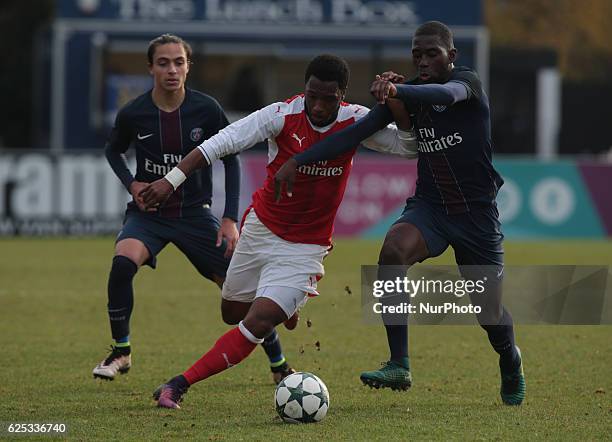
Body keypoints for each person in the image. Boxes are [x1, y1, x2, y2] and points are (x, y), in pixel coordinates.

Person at [138, 54, 418, 409]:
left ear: (342, 96)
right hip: (261, 230)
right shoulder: (281, 115)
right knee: (231, 311)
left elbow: (408, 148)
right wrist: (171, 180)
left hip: (305, 248)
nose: (317, 106)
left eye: (327, 99)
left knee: (256, 322)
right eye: (311, 96)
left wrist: (397, 99)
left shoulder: (356, 120)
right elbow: (222, 142)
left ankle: (177, 384)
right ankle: (284, 306)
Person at [273, 21, 526, 405]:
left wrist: (397, 89)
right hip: (431, 208)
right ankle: (399, 363)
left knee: (487, 310)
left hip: (476, 216)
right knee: (392, 250)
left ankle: (510, 358)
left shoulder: (467, 83)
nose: (423, 60)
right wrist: (299, 160)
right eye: (417, 54)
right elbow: (354, 134)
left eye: (432, 54)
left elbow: (446, 92)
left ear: (451, 56)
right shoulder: (404, 95)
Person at [93, 34, 295, 385]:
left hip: (194, 215)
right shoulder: (134, 112)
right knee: (123, 263)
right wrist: (132, 184)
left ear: (188, 66)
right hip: (149, 216)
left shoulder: (206, 109)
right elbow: (113, 151)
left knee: (240, 292)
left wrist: (230, 218)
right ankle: (121, 351)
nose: (172, 70)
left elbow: (231, 160)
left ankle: (279, 365)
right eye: (163, 63)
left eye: (178, 62)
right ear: (150, 68)